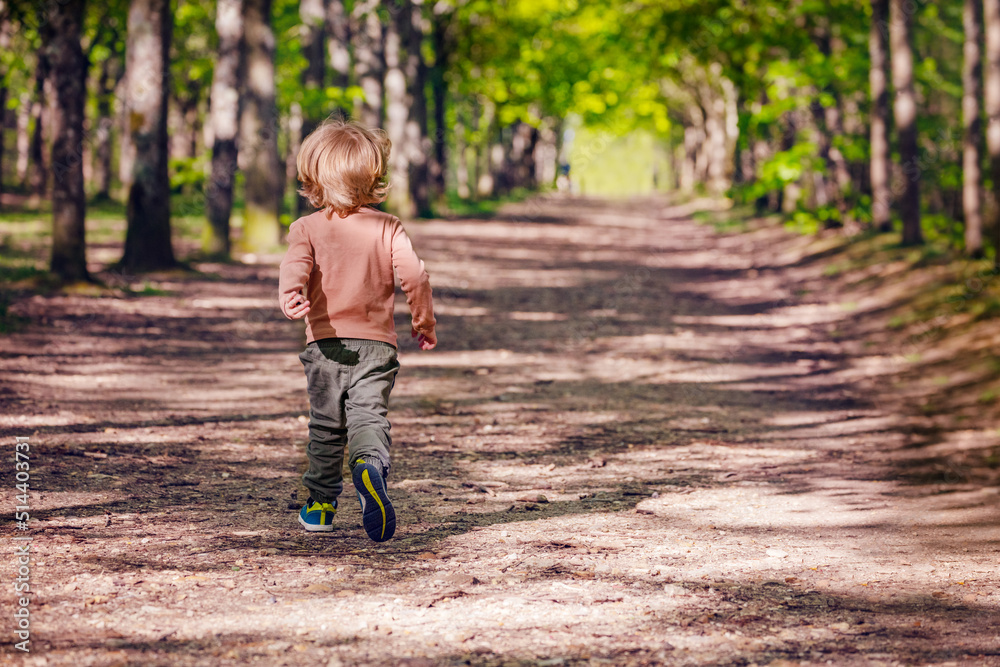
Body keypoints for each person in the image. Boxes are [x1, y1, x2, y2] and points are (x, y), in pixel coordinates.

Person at [278, 119, 437, 542]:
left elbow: (295, 266)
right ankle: (369, 466)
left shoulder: (306, 228)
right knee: (368, 415)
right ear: (374, 175)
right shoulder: (388, 227)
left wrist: (290, 293)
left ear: (313, 176)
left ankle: (321, 506)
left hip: (325, 346)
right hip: (377, 347)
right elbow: (416, 278)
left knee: (327, 426)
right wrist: (423, 323)